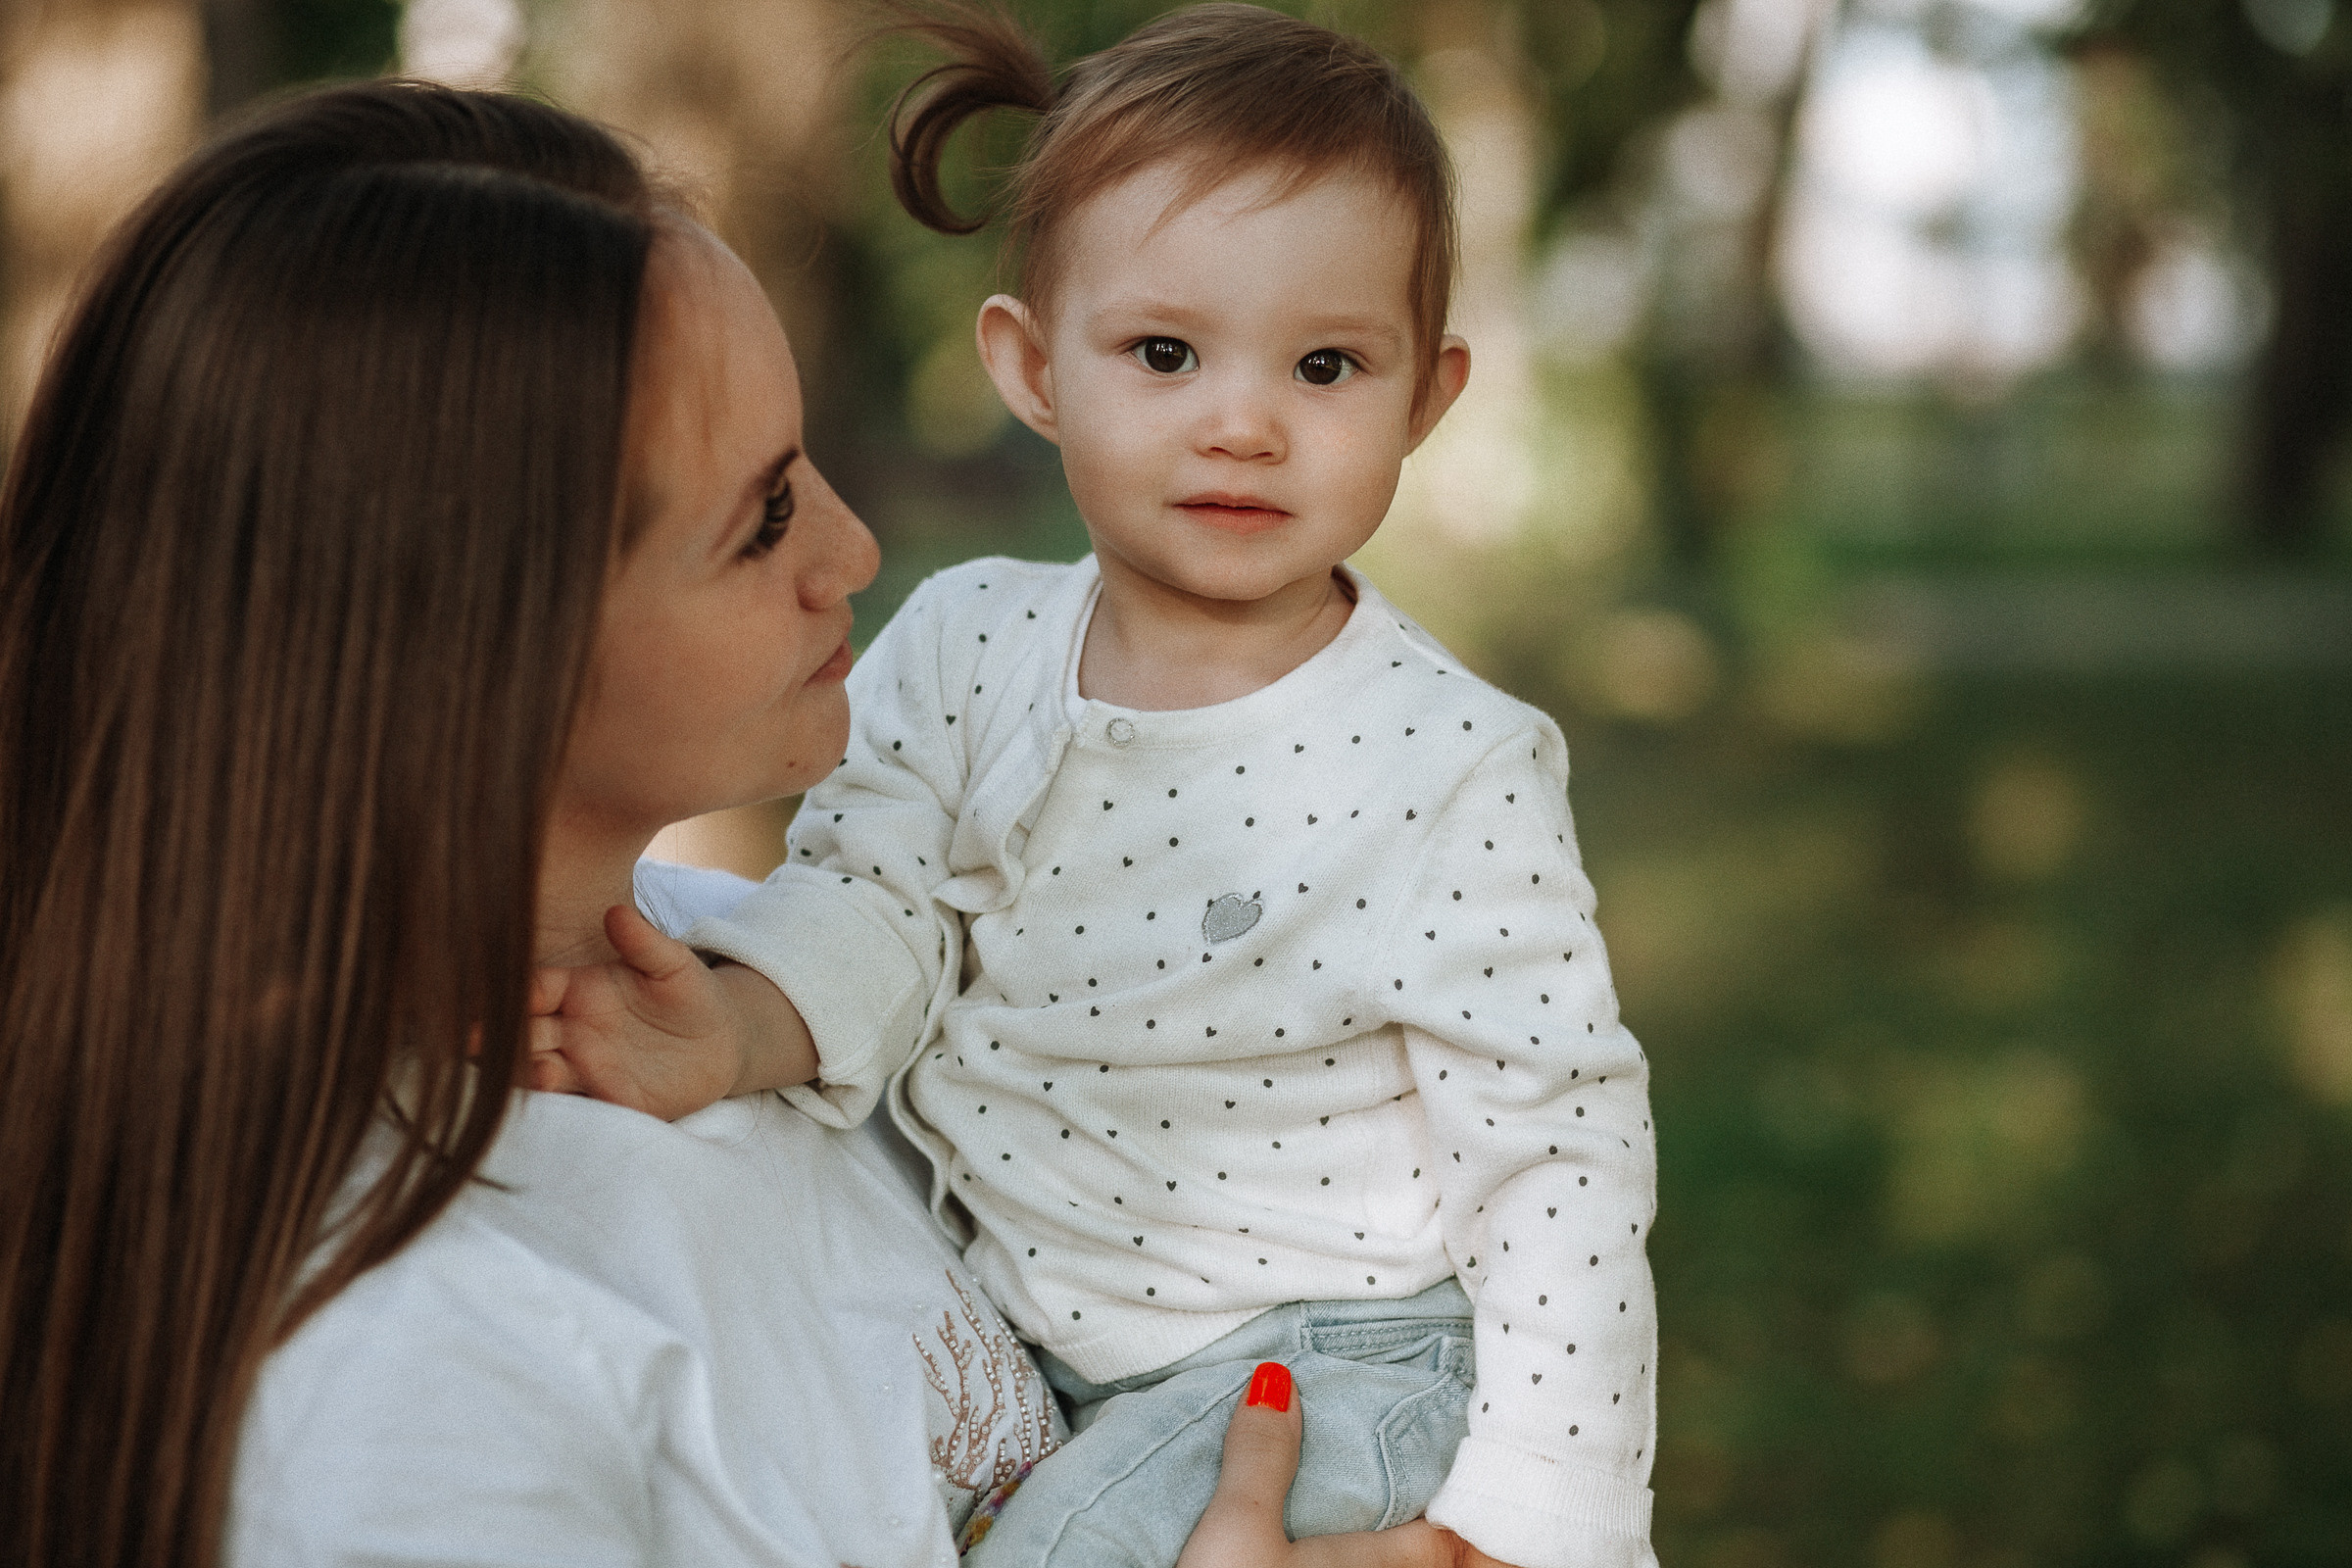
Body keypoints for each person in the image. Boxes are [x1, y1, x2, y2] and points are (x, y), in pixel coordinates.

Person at [0, 79, 1449, 1568]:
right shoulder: (395, 1382)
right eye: (761, 520)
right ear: (468, 638)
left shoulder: (750, 986)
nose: (851, 550)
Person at [533, 7, 1661, 1568]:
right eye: (1165, 353)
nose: (1244, 421)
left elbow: (1558, 1143)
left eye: (1326, 364)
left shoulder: (1445, 763)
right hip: (1070, 1370)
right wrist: (730, 1030)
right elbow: (877, 908)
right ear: (1032, 366)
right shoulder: (963, 647)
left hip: (1327, 1361)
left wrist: (1543, 1515)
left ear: (1427, 397)